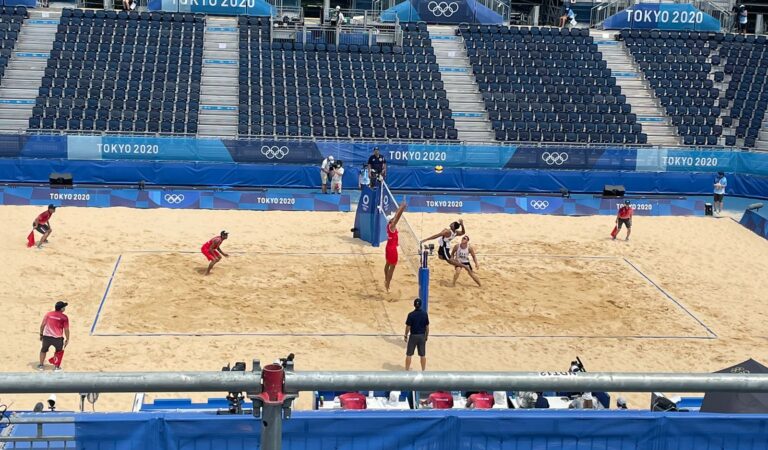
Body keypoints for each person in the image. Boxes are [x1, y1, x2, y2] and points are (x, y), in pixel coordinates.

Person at [38, 301, 70, 371]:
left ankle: (41, 365)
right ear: (62, 309)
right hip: (58, 338)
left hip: (46, 337)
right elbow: (66, 329)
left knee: (43, 350)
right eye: (64, 307)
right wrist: (67, 339)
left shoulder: (48, 314)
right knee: (58, 352)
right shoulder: (64, 317)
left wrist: (41, 335)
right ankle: (56, 367)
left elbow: (42, 325)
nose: (65, 308)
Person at [384, 202, 406, 292]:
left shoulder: (389, 226)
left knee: (387, 264)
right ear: (391, 221)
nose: (394, 219)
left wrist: (399, 208)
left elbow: (395, 216)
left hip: (388, 247)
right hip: (392, 249)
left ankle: (386, 279)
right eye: (392, 219)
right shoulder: (392, 226)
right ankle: (387, 284)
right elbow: (397, 217)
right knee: (392, 267)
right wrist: (402, 208)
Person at [404, 298, 429, 371]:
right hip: (421, 336)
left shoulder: (411, 315)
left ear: (414, 305)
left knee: (409, 354)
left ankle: (407, 370)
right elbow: (427, 327)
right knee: (422, 355)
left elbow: (408, 327)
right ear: (421, 305)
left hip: (413, 336)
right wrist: (426, 336)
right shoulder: (425, 314)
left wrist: (405, 335)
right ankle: (423, 370)